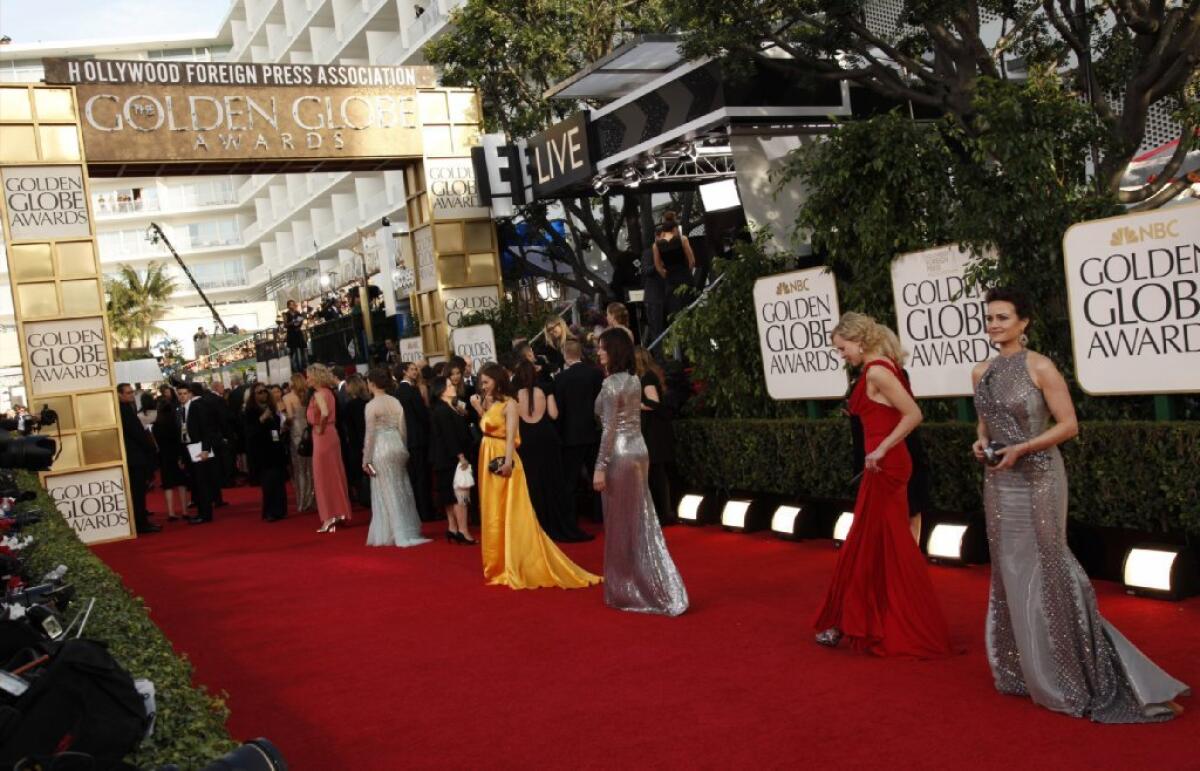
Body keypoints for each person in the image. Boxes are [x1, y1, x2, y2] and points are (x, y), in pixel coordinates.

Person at [972, 288, 1187, 721]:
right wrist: (980, 444)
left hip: (1039, 476)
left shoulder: (1041, 367)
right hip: (1000, 480)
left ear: (1024, 322)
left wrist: (1023, 447)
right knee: (1010, 566)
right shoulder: (982, 372)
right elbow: (984, 423)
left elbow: (1069, 425)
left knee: (1050, 564)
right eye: (990, 318)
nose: (994, 324)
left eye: (1002, 317)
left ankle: (1073, 671)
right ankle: (1022, 668)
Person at [812, 312, 952, 657]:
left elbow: (914, 414)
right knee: (871, 545)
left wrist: (883, 447)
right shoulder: (876, 369)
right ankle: (865, 619)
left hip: (887, 465)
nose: (841, 355)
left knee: (878, 545)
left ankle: (881, 621)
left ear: (859, 341)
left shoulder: (877, 371)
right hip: (879, 464)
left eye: (842, 348)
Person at [476, 363, 601, 590]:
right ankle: (498, 561)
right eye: (481, 382)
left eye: (486, 381)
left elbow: (513, 436)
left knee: (513, 510)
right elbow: (489, 425)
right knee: (494, 510)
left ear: (496, 380)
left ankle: (518, 561)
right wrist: (479, 408)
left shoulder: (511, 404)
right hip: (492, 458)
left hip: (504, 461)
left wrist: (506, 462)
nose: (482, 386)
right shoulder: (492, 402)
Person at [593, 330, 687, 615]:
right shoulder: (634, 380)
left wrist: (599, 467)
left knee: (621, 524)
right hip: (639, 451)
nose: (598, 353)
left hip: (619, 455)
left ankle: (627, 589)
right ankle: (655, 584)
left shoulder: (611, 385)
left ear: (614, 351)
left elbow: (608, 429)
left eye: (602, 349)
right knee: (642, 520)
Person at [512, 360, 592, 542]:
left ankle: (536, 526)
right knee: (552, 482)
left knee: (531, 483)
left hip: (526, 440)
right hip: (547, 438)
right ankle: (558, 523)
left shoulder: (514, 395)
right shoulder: (546, 389)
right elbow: (554, 414)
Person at [362, 368, 429, 547]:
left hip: (381, 448)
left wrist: (366, 459)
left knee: (386, 489)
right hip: (397, 446)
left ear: (372, 384)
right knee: (401, 486)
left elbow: (369, 435)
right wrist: (403, 448)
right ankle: (405, 529)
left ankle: (394, 531)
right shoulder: (395, 401)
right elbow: (403, 428)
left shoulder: (371, 406)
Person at [555, 339, 605, 524]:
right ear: (580, 353)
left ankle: (571, 519)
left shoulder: (561, 379)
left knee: (570, 482)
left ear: (565, 355)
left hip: (570, 437)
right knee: (598, 477)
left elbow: (558, 410)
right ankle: (601, 516)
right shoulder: (595, 374)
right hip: (593, 433)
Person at [429, 376, 477, 544]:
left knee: (451, 495)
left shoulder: (450, 407)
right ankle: (462, 531)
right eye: (449, 385)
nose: (453, 386)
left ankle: (453, 529)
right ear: (441, 390)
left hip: (446, 458)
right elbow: (449, 436)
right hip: (451, 458)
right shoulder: (442, 410)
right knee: (460, 495)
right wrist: (461, 456)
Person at [307, 363, 352, 533]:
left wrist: (320, 427)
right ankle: (340, 513)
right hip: (332, 435)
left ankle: (328, 518)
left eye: (309, 376)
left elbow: (324, 413)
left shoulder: (319, 394)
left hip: (323, 437)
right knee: (335, 474)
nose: (307, 379)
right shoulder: (329, 393)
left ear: (316, 377)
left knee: (323, 477)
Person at [634, 347, 676, 526]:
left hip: (655, 432)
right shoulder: (646, 377)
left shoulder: (647, 378)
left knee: (657, 473)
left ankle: (663, 514)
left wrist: (636, 404)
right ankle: (661, 513)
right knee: (655, 473)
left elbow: (654, 403)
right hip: (653, 430)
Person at [394, 361, 434, 520]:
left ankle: (419, 510)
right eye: (412, 369)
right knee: (423, 476)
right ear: (404, 372)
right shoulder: (411, 390)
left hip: (407, 438)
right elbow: (422, 415)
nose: (416, 372)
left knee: (415, 476)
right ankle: (426, 512)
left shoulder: (398, 391)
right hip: (419, 438)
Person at [118, 383, 160, 534]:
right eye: (128, 393)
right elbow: (136, 433)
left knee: (139, 492)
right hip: (135, 457)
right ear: (119, 394)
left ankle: (142, 522)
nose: (131, 395)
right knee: (137, 492)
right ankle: (141, 524)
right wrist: (149, 447)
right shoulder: (124, 410)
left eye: (131, 393)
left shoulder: (127, 408)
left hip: (135, 456)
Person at [177, 381, 221, 525]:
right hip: (187, 448)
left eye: (185, 394)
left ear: (190, 394)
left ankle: (205, 514)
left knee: (202, 483)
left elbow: (206, 429)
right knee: (196, 483)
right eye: (180, 394)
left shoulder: (197, 407)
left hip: (199, 448)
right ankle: (201, 513)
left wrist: (205, 449)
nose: (182, 396)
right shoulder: (180, 410)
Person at [243, 383, 288, 522]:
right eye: (259, 392)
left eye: (264, 392)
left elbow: (275, 428)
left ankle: (280, 510)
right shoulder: (249, 411)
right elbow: (249, 432)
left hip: (275, 449)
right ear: (253, 395)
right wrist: (262, 419)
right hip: (261, 452)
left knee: (279, 482)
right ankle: (270, 511)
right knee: (268, 483)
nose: (263, 394)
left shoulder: (272, 408)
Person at [652, 210, 695, 325]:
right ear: (674, 228)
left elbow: (658, 266)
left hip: (670, 280)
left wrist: (667, 276)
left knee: (675, 311)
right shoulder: (683, 239)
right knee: (690, 308)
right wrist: (687, 272)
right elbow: (692, 261)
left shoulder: (656, 245)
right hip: (685, 276)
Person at [152, 387, 188, 522]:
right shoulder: (176, 424)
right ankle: (184, 510)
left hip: (164, 456)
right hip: (177, 455)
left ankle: (171, 513)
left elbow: (156, 443)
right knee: (182, 483)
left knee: (167, 484)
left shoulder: (156, 426)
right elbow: (180, 440)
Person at [282, 372, 316, 513]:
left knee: (299, 470)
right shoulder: (309, 396)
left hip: (296, 434)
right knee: (311, 469)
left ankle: (302, 502)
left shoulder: (287, 398)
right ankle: (311, 499)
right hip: (309, 432)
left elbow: (289, 417)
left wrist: (284, 424)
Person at [341, 374, 370, 506]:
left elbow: (348, 428)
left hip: (356, 444)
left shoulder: (349, 406)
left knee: (360, 472)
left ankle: (364, 496)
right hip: (368, 439)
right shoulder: (368, 402)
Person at [284, 299, 308, 372]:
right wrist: (292, 322)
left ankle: (304, 365)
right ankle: (294, 368)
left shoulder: (297, 312)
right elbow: (285, 325)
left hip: (298, 333)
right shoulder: (286, 314)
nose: (293, 305)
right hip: (291, 334)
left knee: (303, 349)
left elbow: (301, 320)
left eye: (293, 304)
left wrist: (299, 322)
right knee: (293, 351)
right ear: (288, 306)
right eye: (291, 304)